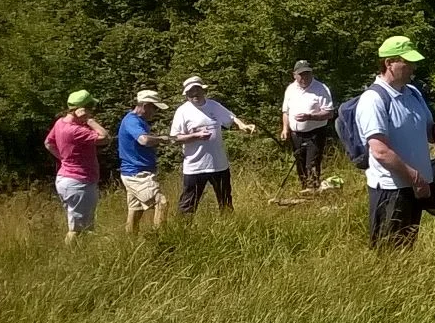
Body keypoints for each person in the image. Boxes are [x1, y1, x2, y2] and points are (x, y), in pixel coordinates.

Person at [357, 35, 435, 248]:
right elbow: (380, 151)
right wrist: (415, 178)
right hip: (391, 190)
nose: (413, 68)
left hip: (416, 188)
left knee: (406, 251)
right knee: (388, 253)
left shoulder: (413, 94)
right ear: (389, 63)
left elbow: (431, 134)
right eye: (407, 62)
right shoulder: (373, 99)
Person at [169, 76, 259, 214]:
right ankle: (183, 227)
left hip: (219, 164)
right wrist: (196, 136)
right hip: (195, 166)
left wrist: (243, 126)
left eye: (197, 90)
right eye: (191, 92)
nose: (195, 94)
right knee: (188, 205)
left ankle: (229, 225)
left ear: (203, 90)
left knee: (226, 202)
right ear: (186, 94)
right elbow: (175, 138)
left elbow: (231, 118)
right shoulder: (182, 111)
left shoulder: (214, 106)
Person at [44, 90, 108, 240]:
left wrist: (64, 159)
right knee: (77, 230)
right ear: (82, 109)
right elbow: (105, 137)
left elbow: (48, 143)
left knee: (82, 227)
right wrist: (90, 121)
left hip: (67, 179)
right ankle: (69, 253)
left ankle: (80, 252)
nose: (92, 111)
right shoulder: (76, 130)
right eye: (90, 107)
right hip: (79, 182)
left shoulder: (60, 123)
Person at [118, 89, 172, 233]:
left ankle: (130, 242)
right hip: (137, 174)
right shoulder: (132, 121)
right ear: (145, 105)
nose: (155, 112)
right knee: (162, 202)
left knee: (135, 210)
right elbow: (144, 140)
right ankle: (160, 240)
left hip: (133, 172)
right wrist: (161, 139)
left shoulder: (138, 121)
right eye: (154, 108)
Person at [279, 59, 335, 191]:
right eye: (301, 74)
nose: (304, 77)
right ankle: (304, 189)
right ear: (294, 75)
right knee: (300, 164)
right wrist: (285, 129)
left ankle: (312, 190)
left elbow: (329, 113)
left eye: (307, 74)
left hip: (315, 133)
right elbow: (286, 111)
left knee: (312, 164)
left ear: (311, 73)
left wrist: (310, 116)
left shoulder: (321, 88)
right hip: (296, 135)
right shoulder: (290, 89)